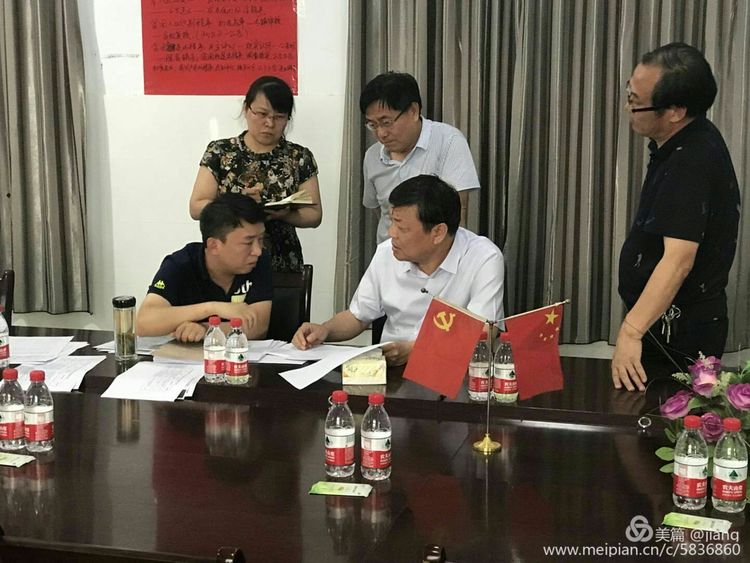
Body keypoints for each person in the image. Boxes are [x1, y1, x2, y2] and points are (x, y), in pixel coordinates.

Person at [612, 43, 740, 392]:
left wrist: (631, 331)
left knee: (668, 420)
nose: (628, 108)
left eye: (635, 101)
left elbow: (679, 260)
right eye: (629, 94)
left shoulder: (691, 161)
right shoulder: (685, 141)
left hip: (681, 334)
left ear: (675, 111)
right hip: (665, 322)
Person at [292, 175, 504, 366]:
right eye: (392, 222)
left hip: (455, 372)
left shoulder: (483, 257)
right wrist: (325, 330)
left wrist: (415, 351)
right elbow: (358, 315)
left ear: (438, 232)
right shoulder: (387, 253)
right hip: (392, 371)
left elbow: (484, 332)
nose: (391, 233)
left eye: (401, 228)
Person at [189, 75, 322, 273]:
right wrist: (235, 204)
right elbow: (196, 207)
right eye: (262, 114)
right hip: (227, 260)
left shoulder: (298, 156)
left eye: (279, 117)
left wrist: (286, 214)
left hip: (280, 261)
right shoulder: (220, 152)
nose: (269, 123)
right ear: (246, 109)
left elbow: (314, 215)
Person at [360, 72, 480, 243]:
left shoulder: (448, 142)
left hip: (436, 254)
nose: (381, 133)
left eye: (386, 122)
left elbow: (458, 211)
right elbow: (380, 211)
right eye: (373, 125)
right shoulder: (372, 156)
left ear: (414, 111)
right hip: (390, 253)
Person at [137, 194, 273, 343]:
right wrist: (212, 308)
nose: (257, 251)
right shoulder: (180, 264)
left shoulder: (259, 261)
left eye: (261, 239)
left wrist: (206, 330)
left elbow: (258, 328)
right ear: (214, 245)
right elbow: (143, 323)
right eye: (248, 243)